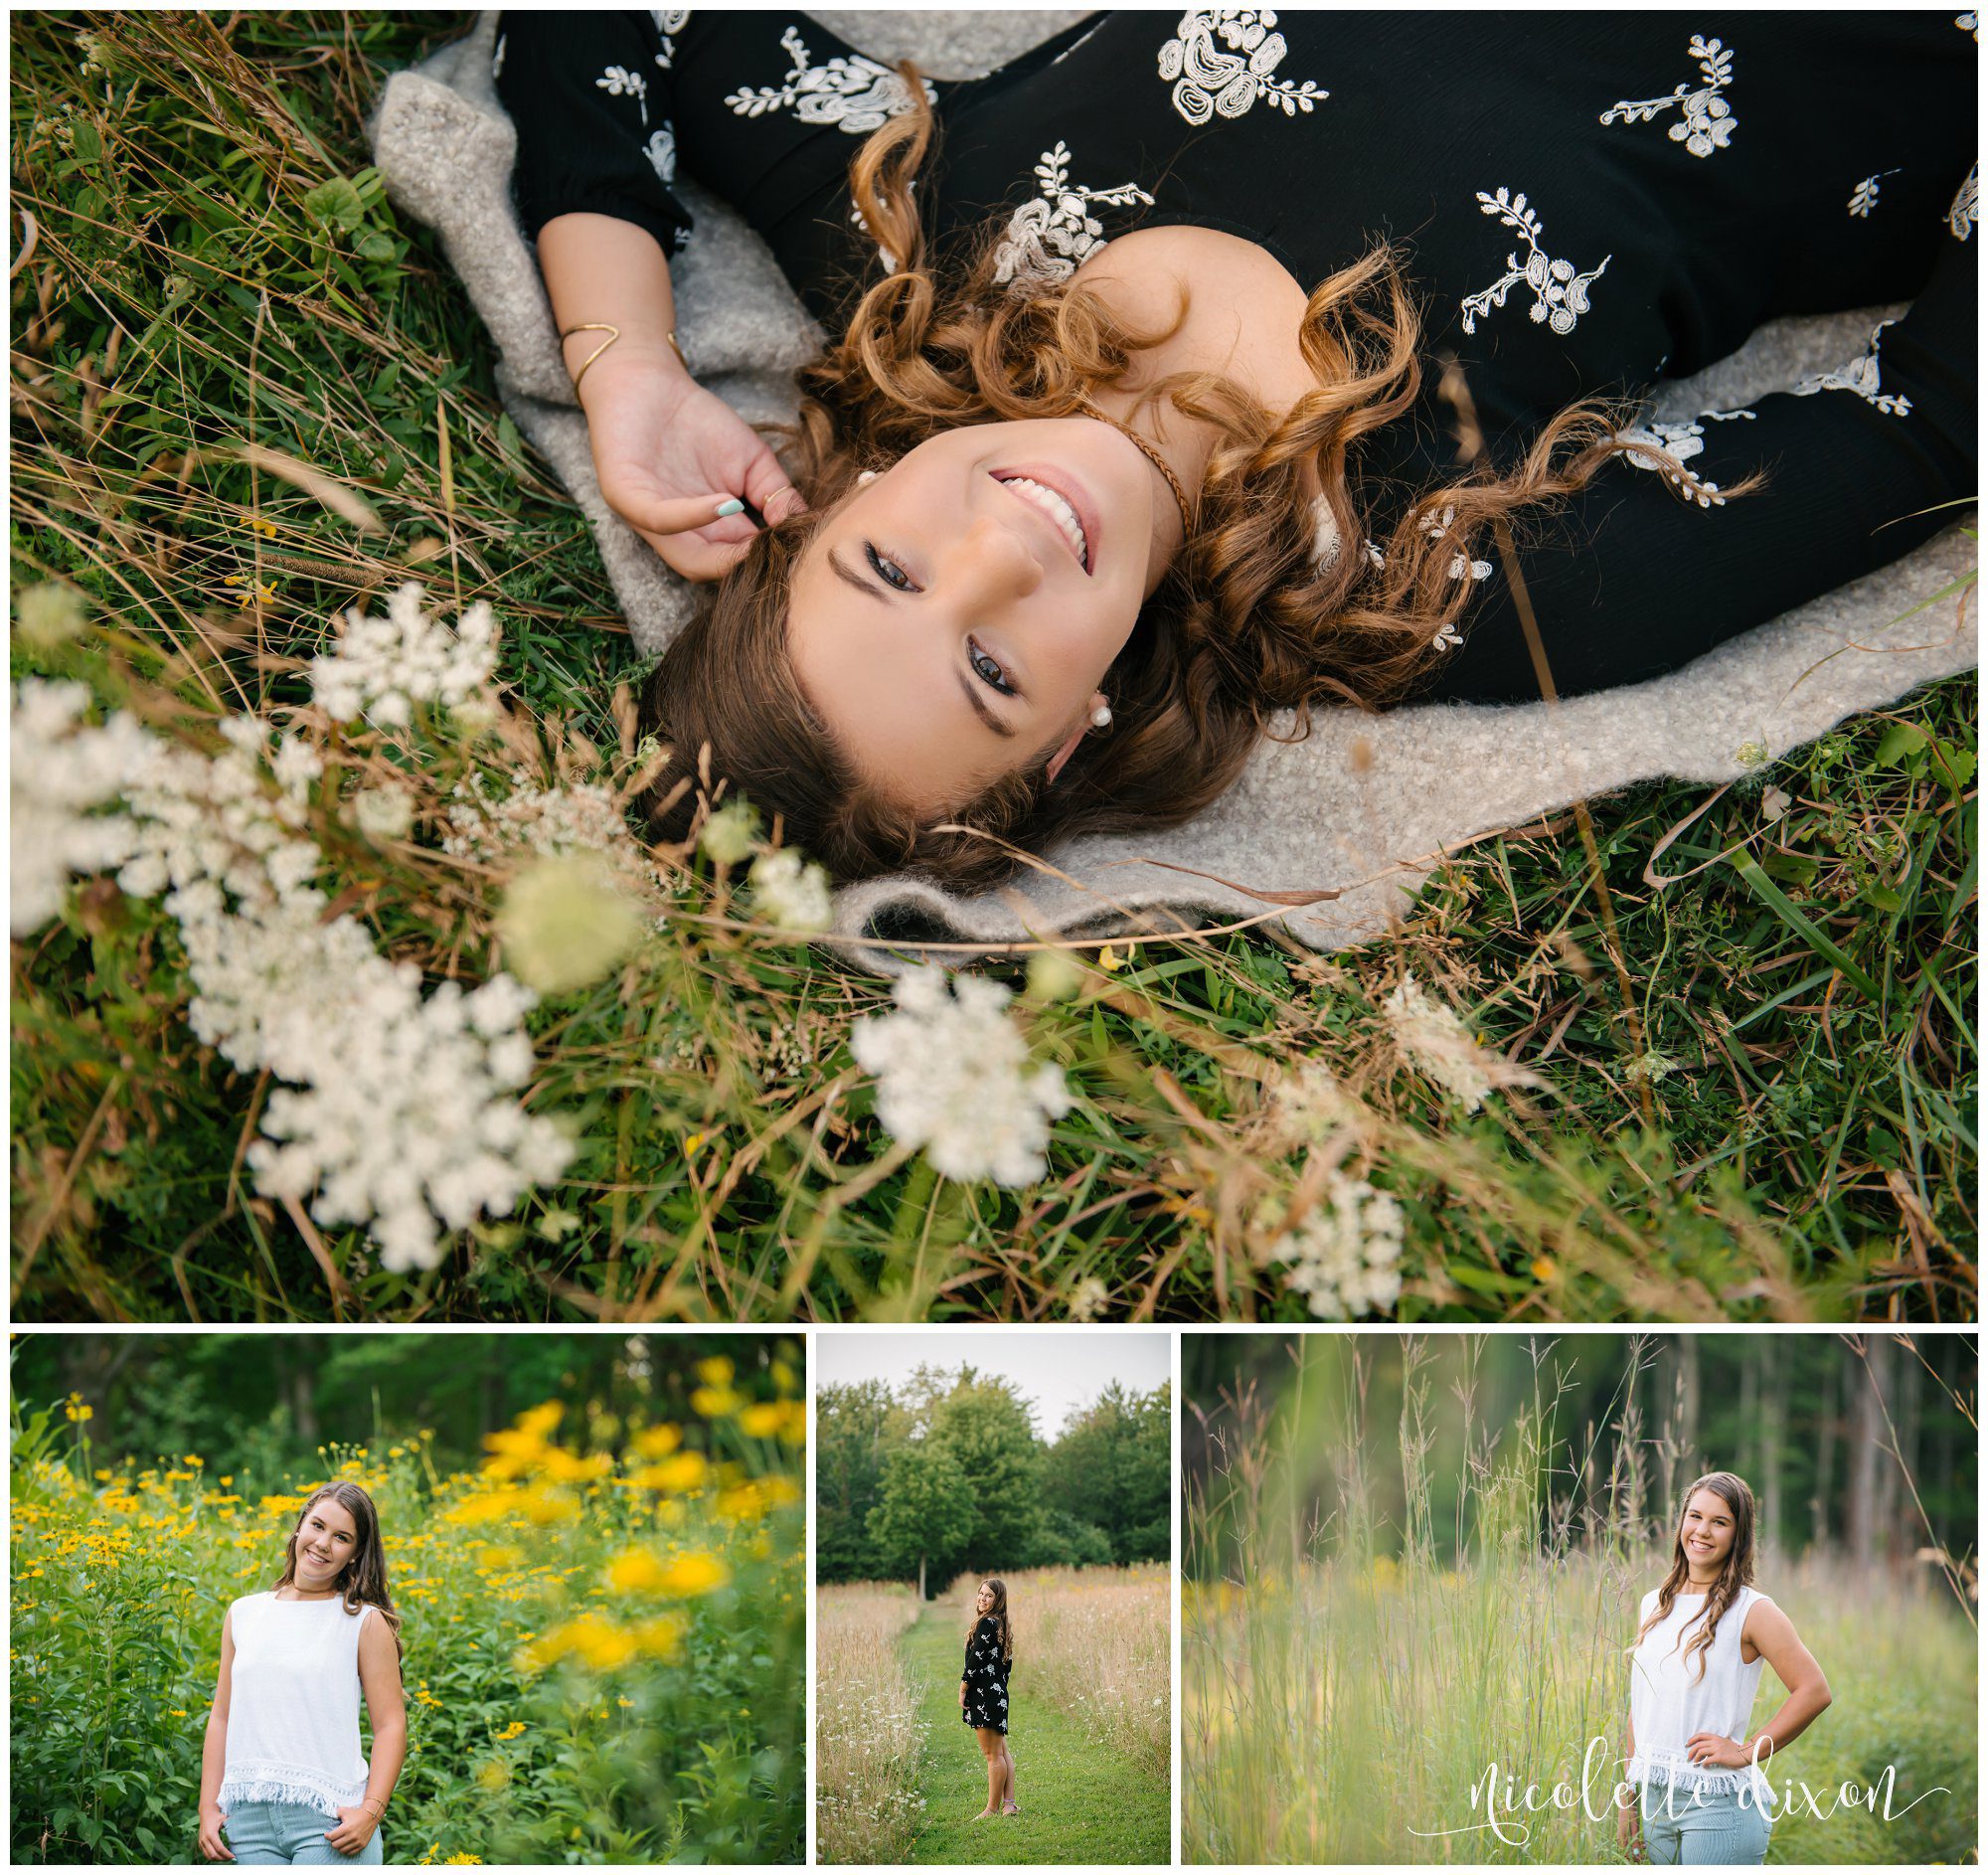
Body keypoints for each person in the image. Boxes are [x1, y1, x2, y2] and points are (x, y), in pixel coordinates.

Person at [493, 12, 1975, 891]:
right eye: (995, 671)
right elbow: (1926, 422)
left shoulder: (914, 239)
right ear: (1073, 736)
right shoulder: (1431, 579)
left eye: (888, 565)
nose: (1002, 549)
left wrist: (626, 358)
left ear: (839, 499)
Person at [1618, 1471, 1833, 1866]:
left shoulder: (1753, 1610)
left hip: (1717, 1808)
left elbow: (1814, 1690)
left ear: (1739, 1535)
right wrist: (1627, 1802)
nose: (1702, 1530)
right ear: (1681, 1521)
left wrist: (1746, 1751)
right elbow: (1642, 1706)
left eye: (1720, 1522)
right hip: (1653, 1802)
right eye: (1695, 1516)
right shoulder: (1653, 1604)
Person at [197, 1482, 408, 1865]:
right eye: (317, 1525)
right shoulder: (243, 1613)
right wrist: (207, 1809)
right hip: (246, 1825)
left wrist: (370, 1812)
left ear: (356, 1554)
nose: (323, 1543)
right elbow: (221, 1717)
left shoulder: (364, 1621)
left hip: (329, 1823)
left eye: (342, 1537)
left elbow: (391, 1724)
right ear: (300, 1527)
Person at [960, 1577, 1019, 1819]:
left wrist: (964, 1687)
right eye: (981, 1593)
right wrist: (998, 1689)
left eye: (989, 1596)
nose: (983, 1599)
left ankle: (991, 1809)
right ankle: (1009, 1804)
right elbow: (1007, 1665)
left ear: (997, 1600)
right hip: (996, 1694)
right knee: (1002, 1752)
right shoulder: (1000, 1623)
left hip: (984, 1695)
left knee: (992, 1755)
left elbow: (975, 1660)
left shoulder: (987, 1624)